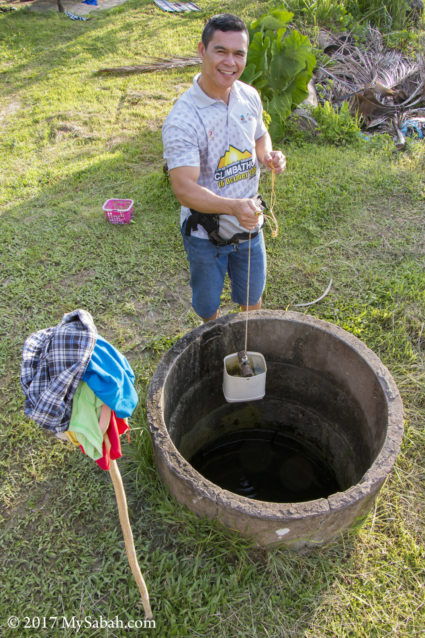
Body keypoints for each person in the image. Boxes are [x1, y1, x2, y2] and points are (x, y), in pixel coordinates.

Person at [162, 13, 286, 322]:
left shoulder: (249, 96)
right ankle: (213, 341)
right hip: (205, 233)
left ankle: (246, 348)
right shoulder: (184, 119)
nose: (230, 62)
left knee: (252, 298)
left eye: (239, 53)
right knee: (207, 305)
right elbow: (184, 189)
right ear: (202, 51)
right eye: (221, 51)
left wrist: (268, 155)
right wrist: (233, 207)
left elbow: (260, 135)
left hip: (249, 225)